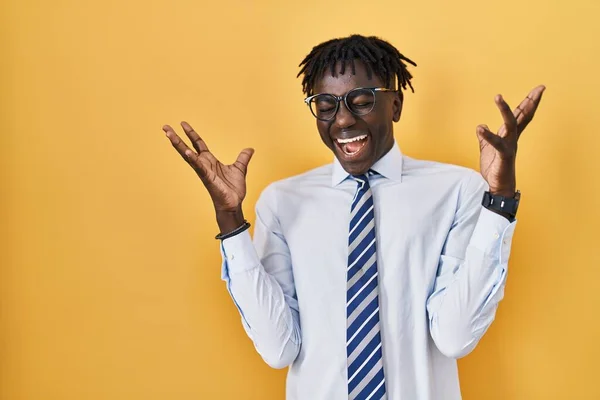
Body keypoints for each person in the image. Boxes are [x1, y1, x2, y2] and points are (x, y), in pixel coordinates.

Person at [162, 34, 544, 400]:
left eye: (361, 100)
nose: (342, 121)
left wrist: (500, 201)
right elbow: (278, 348)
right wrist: (230, 220)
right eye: (326, 106)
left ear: (395, 105)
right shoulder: (281, 202)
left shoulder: (457, 190)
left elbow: (455, 336)